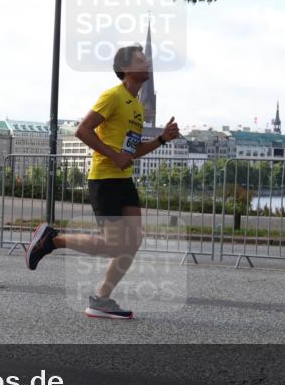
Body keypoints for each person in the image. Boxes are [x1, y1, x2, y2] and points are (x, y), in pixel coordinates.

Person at [25, 44, 180, 319]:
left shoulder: (136, 106)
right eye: (142, 59)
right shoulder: (113, 96)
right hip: (105, 179)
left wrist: (161, 139)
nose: (148, 63)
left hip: (124, 179)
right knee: (113, 245)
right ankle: (52, 240)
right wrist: (113, 156)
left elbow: (131, 150)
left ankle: (101, 299)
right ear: (126, 69)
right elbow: (82, 130)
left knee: (132, 242)